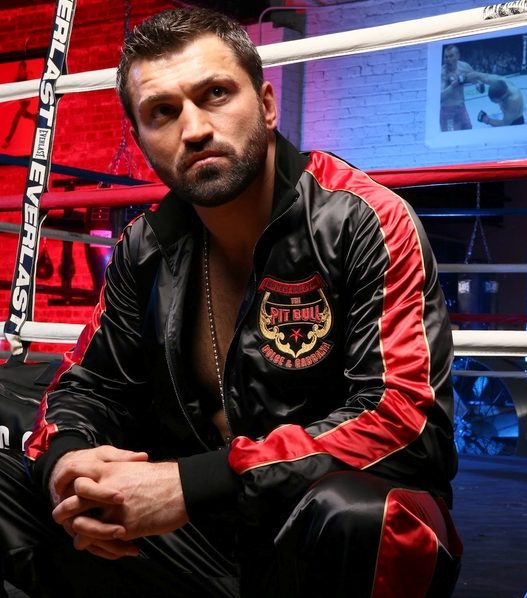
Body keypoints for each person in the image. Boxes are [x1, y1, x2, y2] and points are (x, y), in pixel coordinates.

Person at [0, 7, 462, 597]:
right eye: (162, 112)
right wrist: (67, 465)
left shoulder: (361, 220)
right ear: (141, 141)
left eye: (215, 94)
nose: (194, 129)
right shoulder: (146, 246)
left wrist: (190, 484)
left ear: (266, 105)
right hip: (195, 535)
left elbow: (404, 420)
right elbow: (90, 385)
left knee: (357, 513)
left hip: (300, 526)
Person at [440, 44, 476, 131]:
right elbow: (440, 96)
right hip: (448, 112)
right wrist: (455, 84)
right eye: (446, 57)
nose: (448, 59)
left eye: (451, 56)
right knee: (451, 137)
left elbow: (476, 80)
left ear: (457, 56)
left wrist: (479, 85)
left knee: (468, 133)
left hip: (461, 109)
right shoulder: (442, 73)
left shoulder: (464, 67)